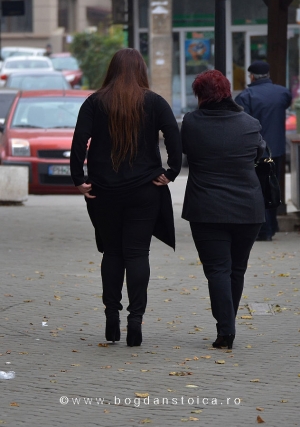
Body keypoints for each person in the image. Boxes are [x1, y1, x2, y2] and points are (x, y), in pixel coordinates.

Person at [70, 48, 182, 347]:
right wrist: (171, 171)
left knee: (112, 252)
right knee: (137, 253)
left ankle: (111, 316)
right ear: (141, 69)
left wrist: (79, 179)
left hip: (104, 190)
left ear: (112, 69)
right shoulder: (154, 102)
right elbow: (174, 137)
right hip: (145, 189)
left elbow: (79, 140)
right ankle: (136, 320)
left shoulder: (95, 102)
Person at [181, 70, 266, 349]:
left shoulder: (192, 123)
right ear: (227, 91)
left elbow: (185, 156)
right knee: (237, 269)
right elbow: (259, 155)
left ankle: (225, 330)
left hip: (207, 208)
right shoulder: (250, 123)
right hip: (247, 208)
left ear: (200, 95)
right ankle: (228, 325)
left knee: (217, 270)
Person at [235, 60, 292, 241]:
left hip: (257, 151)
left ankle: (264, 230)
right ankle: (272, 226)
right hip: (277, 149)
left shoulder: (246, 96)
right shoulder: (282, 93)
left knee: (258, 190)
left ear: (251, 76)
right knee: (273, 188)